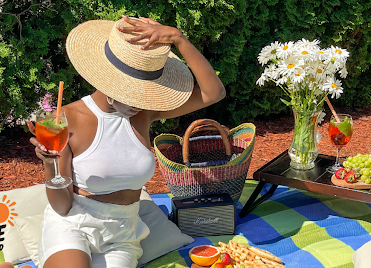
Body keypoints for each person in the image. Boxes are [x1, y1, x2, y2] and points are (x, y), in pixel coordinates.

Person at [27, 15, 225, 268]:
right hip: (73, 224)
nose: (140, 99)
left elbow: (213, 93)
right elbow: (62, 206)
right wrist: (49, 165)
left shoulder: (145, 111)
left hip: (123, 232)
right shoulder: (64, 119)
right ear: (108, 79)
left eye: (147, 90)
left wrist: (178, 38)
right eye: (132, 90)